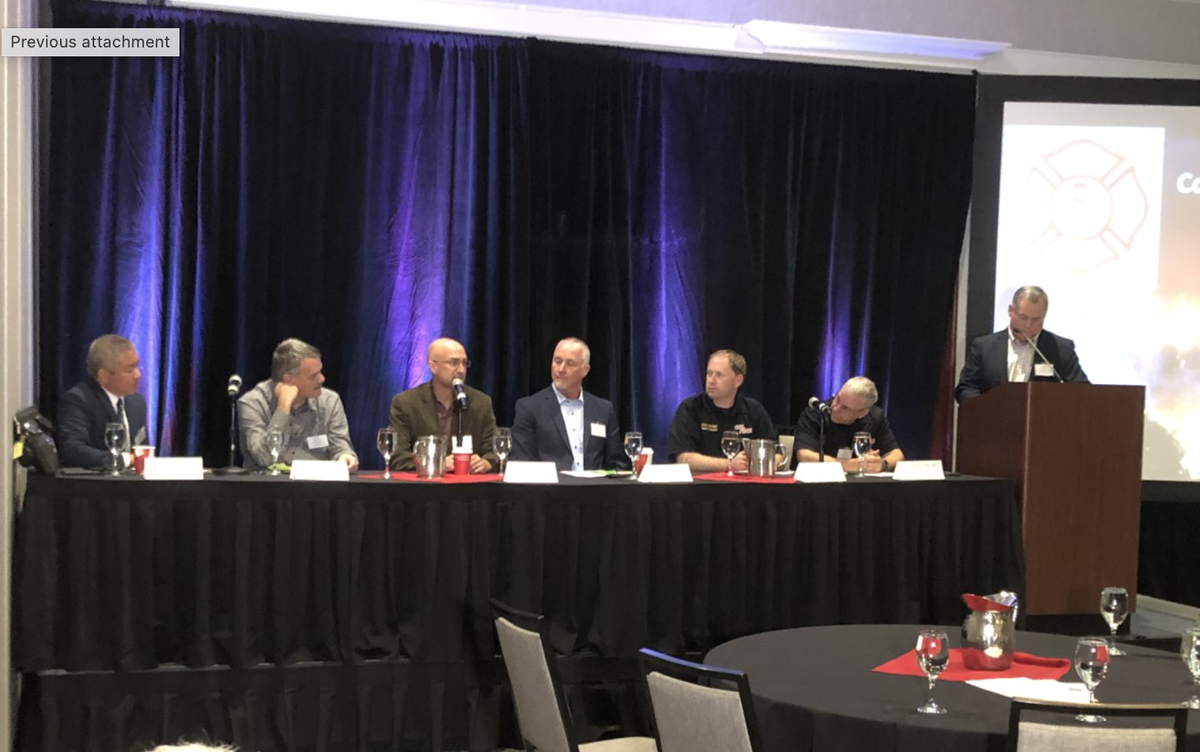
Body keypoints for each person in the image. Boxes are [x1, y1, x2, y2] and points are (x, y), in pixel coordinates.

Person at [238, 338, 358, 471]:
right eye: (313, 376)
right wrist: (283, 408)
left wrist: (345, 457)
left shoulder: (329, 401)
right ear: (288, 379)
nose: (322, 379)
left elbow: (341, 448)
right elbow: (264, 459)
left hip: (316, 482)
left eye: (320, 372)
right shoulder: (252, 403)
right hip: (268, 482)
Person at [955, 285, 1089, 404]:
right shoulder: (984, 347)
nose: (1028, 325)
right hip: (993, 420)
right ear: (1010, 310)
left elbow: (1082, 390)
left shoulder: (1061, 349)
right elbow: (966, 388)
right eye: (1023, 317)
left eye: (1036, 320)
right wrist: (987, 406)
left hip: (1042, 421)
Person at [511, 337, 628, 471]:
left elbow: (617, 462)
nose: (561, 369)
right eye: (557, 361)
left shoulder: (603, 409)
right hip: (552, 484)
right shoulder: (529, 407)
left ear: (585, 370)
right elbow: (523, 462)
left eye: (570, 364)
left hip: (594, 484)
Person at [388, 337, 499, 473]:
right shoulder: (406, 403)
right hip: (424, 484)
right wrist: (435, 462)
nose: (461, 370)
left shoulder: (480, 402)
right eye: (454, 363)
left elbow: (495, 451)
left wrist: (487, 463)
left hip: (468, 484)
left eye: (464, 363)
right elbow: (396, 456)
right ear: (433, 366)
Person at [667, 349, 778, 473]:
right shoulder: (690, 408)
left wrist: (759, 463)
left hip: (746, 483)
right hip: (701, 483)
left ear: (738, 380)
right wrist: (729, 464)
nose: (711, 381)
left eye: (719, 375)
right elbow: (683, 458)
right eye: (709, 373)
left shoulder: (753, 410)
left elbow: (777, 453)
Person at [57, 334, 148, 469]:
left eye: (137, 367)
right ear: (103, 376)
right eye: (130, 370)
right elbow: (72, 450)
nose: (137, 375)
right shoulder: (78, 400)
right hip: (97, 481)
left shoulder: (137, 403)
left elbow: (142, 449)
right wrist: (122, 460)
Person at [795, 376, 904, 473]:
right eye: (837, 398)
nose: (835, 408)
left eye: (845, 408)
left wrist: (881, 464)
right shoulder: (816, 414)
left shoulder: (875, 417)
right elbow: (804, 457)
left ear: (863, 413)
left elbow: (897, 455)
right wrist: (856, 465)